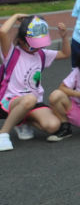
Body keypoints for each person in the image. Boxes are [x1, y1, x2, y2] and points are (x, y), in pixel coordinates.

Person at [0, 15, 69, 151]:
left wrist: (64, 37)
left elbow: (65, 54)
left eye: (40, 45)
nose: (37, 49)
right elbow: (2, 32)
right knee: (29, 99)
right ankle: (3, 134)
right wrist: (15, 16)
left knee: (53, 126)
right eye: (33, 46)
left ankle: (20, 121)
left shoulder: (41, 54)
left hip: (33, 102)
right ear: (21, 41)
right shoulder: (11, 53)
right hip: (11, 100)